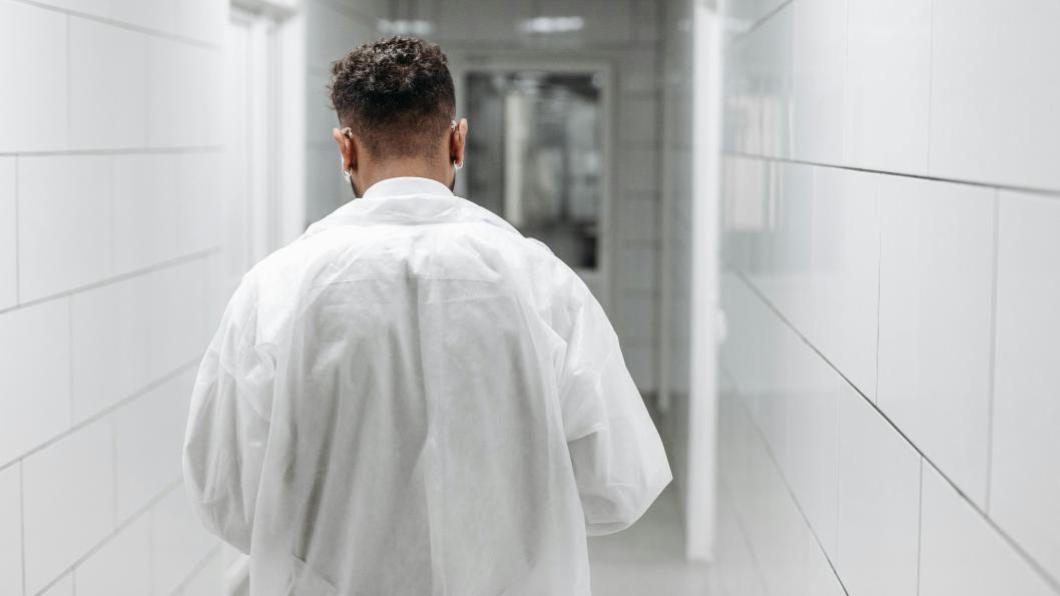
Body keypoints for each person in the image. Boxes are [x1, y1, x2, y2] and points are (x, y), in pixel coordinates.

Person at [182, 36, 670, 596]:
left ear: (346, 148)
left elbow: (227, 500)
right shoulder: (541, 284)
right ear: (458, 139)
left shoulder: (275, 291)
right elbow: (618, 486)